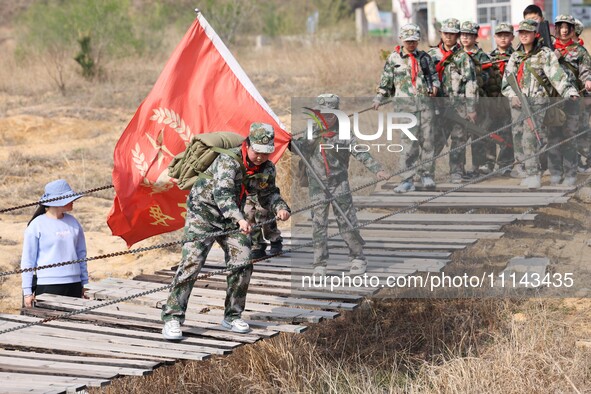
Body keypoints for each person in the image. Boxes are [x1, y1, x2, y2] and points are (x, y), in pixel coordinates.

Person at [161, 123, 291, 340]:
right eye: (257, 151)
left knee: (243, 259)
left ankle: (232, 315)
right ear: (247, 145)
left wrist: (281, 207)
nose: (260, 157)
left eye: (266, 153)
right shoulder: (228, 161)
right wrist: (240, 219)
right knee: (192, 264)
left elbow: (268, 193)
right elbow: (223, 196)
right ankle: (172, 317)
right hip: (203, 215)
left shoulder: (267, 168)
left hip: (232, 220)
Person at [293, 94, 389, 277]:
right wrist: (290, 142)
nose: (326, 118)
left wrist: (377, 169)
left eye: (330, 114)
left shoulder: (344, 131)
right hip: (317, 185)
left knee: (347, 220)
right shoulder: (311, 131)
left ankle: (358, 258)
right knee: (318, 224)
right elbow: (299, 149)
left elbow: (359, 150)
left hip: (339, 183)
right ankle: (319, 263)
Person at [501, 19, 579, 189]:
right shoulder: (515, 56)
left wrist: (568, 91)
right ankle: (526, 170)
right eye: (521, 33)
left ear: (535, 35)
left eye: (527, 33)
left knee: (531, 136)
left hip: (537, 101)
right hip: (518, 103)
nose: (523, 36)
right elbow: (506, 82)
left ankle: (534, 174)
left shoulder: (544, 54)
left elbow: (556, 76)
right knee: (519, 137)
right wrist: (512, 95)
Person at [373, 23, 439, 192]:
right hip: (405, 109)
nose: (411, 44)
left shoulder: (425, 58)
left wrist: (435, 87)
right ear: (401, 39)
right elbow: (385, 83)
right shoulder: (393, 59)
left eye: (414, 41)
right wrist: (379, 98)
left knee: (428, 142)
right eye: (408, 40)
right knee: (408, 144)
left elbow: (433, 76)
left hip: (425, 106)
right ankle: (407, 179)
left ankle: (427, 175)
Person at [21, 179, 88, 308]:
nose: (73, 201)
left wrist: (84, 284)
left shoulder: (74, 222)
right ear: (57, 202)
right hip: (48, 286)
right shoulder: (36, 225)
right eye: (69, 198)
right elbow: (28, 260)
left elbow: (82, 255)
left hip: (74, 285)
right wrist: (27, 292)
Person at [428, 18, 479, 184]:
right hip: (436, 107)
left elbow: (471, 83)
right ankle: (427, 172)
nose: (448, 37)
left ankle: (456, 172)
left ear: (457, 35)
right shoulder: (430, 55)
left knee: (458, 140)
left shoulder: (463, 57)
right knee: (435, 140)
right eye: (446, 33)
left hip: (459, 107)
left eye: (452, 34)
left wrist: (471, 108)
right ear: (441, 34)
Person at [548, 15, 591, 186]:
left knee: (570, 136)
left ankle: (571, 172)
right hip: (552, 100)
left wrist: (588, 81)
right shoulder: (548, 50)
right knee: (553, 137)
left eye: (568, 27)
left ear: (573, 29)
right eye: (561, 26)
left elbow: (586, 71)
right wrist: (552, 57)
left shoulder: (580, 51)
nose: (564, 30)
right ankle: (555, 172)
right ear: (556, 29)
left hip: (573, 101)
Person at [460, 20, 497, 176]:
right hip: (460, 103)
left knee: (480, 135)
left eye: (470, 35)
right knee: (460, 137)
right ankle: (460, 168)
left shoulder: (483, 56)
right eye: (463, 35)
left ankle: (481, 166)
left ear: (476, 37)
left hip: (479, 102)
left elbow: (490, 78)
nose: (466, 38)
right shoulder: (457, 55)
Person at [489, 22, 516, 176]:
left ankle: (506, 164)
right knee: (489, 132)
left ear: (512, 37)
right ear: (495, 37)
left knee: (508, 132)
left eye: (507, 35)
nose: (503, 39)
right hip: (492, 102)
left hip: (509, 102)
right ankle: (488, 163)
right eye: (500, 36)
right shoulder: (488, 57)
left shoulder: (517, 56)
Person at [244, 194, 283, 259]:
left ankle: (275, 240)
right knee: (248, 215)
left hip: (261, 191)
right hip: (247, 192)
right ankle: (257, 245)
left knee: (264, 214)